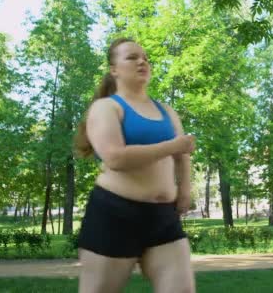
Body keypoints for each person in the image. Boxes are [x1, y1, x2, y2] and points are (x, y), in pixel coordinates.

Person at [74, 37, 196, 293]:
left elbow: (183, 155)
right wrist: (173, 146)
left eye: (145, 57)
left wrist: (185, 189)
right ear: (114, 69)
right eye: (131, 57)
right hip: (115, 215)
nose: (142, 61)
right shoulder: (106, 108)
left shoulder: (166, 110)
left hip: (164, 219)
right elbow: (115, 158)